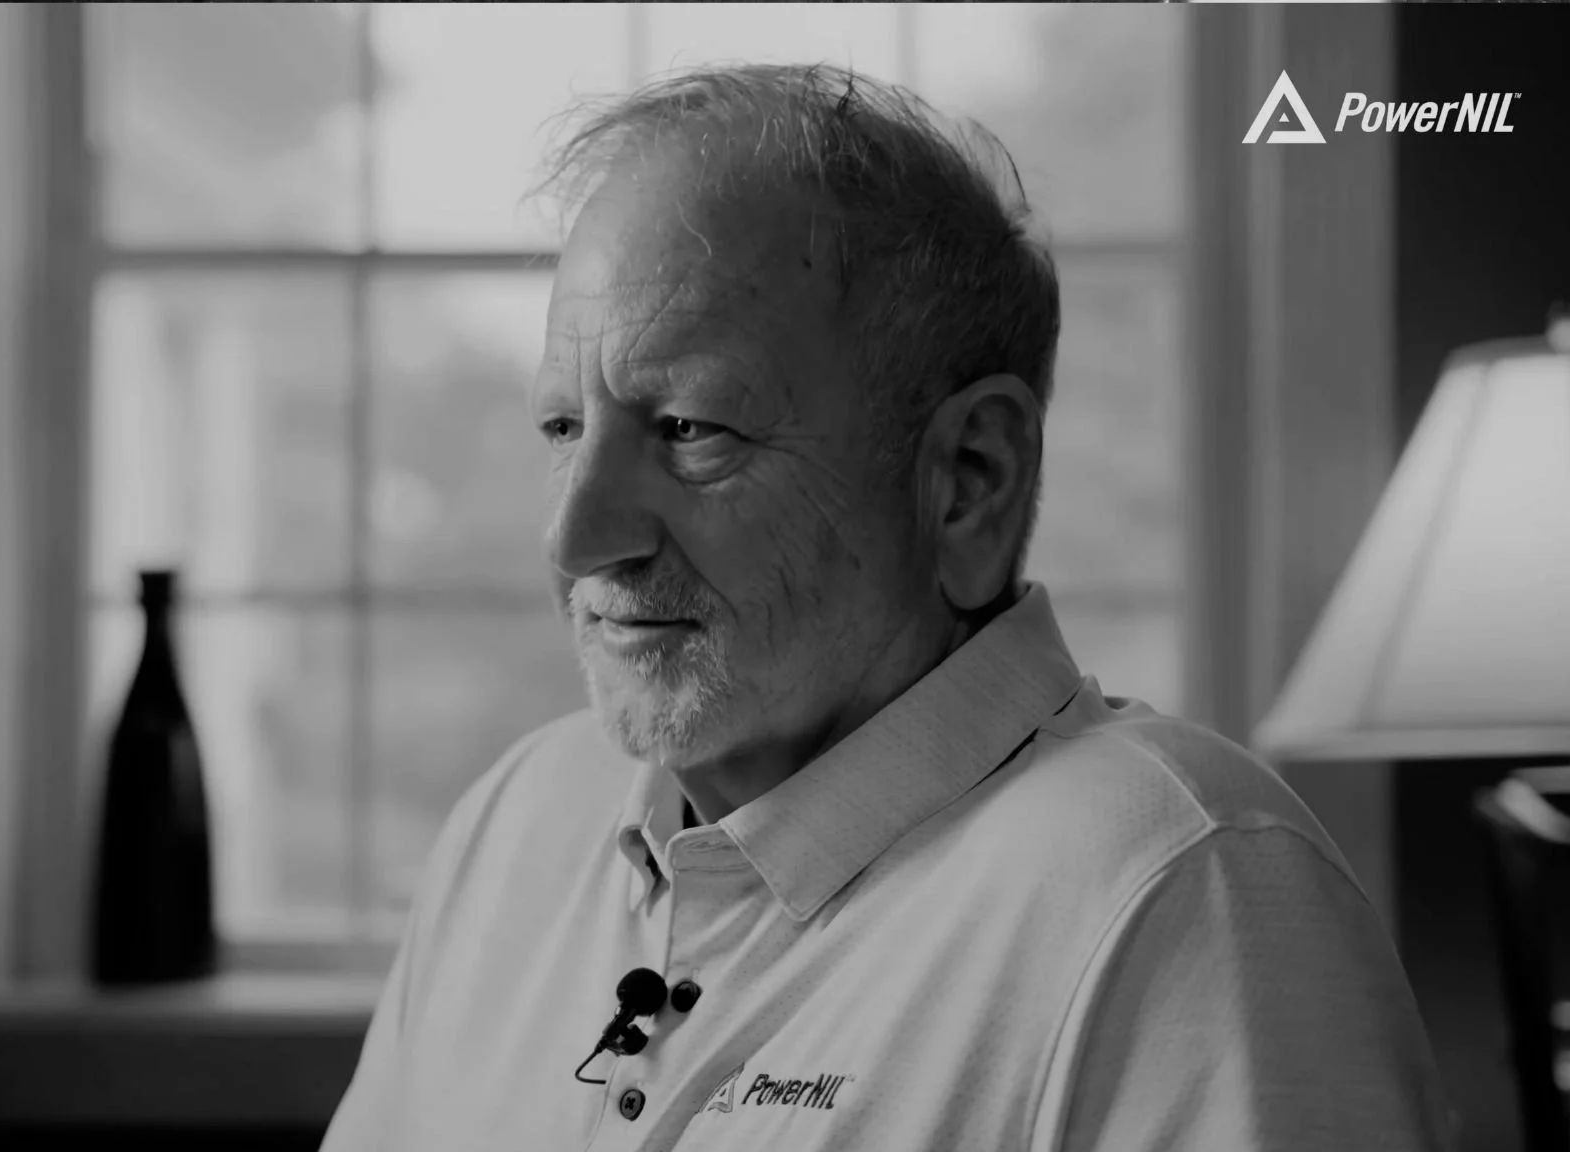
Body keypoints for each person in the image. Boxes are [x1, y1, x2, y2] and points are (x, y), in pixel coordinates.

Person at [319, 64, 1451, 1151]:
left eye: (691, 429)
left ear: (969, 478)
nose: (574, 539)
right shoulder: (514, 820)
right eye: (563, 428)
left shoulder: (1186, 890)